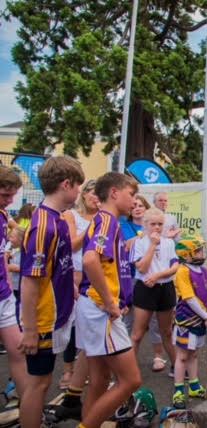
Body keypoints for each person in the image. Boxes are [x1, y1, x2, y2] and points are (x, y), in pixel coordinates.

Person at [18, 157, 84, 428]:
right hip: (44, 319)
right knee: (39, 383)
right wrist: (31, 330)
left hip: (56, 313)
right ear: (65, 184)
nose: (79, 192)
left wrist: (71, 287)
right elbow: (30, 282)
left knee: (43, 381)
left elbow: (57, 266)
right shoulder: (44, 225)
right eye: (78, 185)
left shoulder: (55, 220)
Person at [76, 172, 142, 428]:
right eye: (131, 195)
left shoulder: (105, 221)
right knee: (131, 380)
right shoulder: (107, 221)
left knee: (100, 378)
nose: (134, 201)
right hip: (99, 309)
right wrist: (110, 301)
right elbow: (91, 260)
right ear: (114, 193)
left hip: (92, 306)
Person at [59, 179, 99, 390]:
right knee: (72, 326)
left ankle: (89, 371)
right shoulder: (70, 215)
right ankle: (68, 370)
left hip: (96, 277)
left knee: (91, 328)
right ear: (83, 194)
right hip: (75, 275)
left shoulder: (106, 218)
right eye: (92, 193)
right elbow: (73, 244)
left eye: (98, 194)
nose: (95, 197)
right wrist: (93, 227)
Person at [130, 207, 179, 372]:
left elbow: (175, 267)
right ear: (145, 224)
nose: (157, 227)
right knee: (137, 334)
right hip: (145, 289)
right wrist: (152, 245)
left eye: (160, 224)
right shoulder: (139, 242)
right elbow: (142, 268)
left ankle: (178, 368)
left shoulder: (169, 242)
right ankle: (128, 371)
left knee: (166, 332)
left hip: (165, 288)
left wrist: (158, 275)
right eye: (153, 224)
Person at [172, 235, 207, 408]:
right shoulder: (182, 271)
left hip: (201, 319)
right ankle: (178, 390)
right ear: (187, 254)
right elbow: (189, 298)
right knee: (182, 356)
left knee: (194, 353)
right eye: (197, 250)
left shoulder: (203, 270)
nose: (201, 252)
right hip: (187, 321)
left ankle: (194, 386)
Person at [0, 168, 27, 412]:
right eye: (4, 195)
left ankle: (30, 408)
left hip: (4, 296)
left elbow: (16, 236)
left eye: (12, 195)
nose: (9, 200)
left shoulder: (3, 214)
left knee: (18, 350)